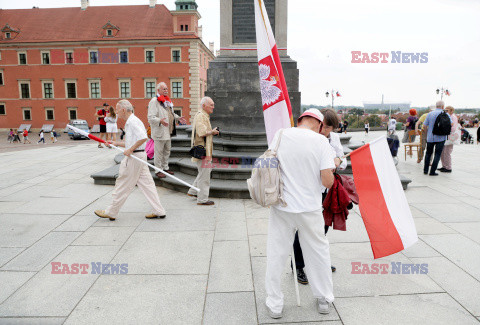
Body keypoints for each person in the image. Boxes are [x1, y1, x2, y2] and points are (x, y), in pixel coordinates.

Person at [265, 108, 335, 319]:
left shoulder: (281, 134)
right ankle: (323, 298)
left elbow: (270, 164)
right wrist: (333, 167)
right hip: (310, 208)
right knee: (318, 253)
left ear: (300, 120)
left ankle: (275, 303)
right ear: (320, 125)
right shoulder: (322, 142)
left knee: (276, 254)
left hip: (282, 205)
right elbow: (327, 181)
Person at [291, 108, 345, 285]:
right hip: (309, 191)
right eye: (326, 127)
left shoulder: (333, 139)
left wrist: (338, 161)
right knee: (303, 229)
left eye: (331, 128)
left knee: (322, 229)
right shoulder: (308, 138)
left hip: (327, 191)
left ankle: (318, 262)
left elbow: (342, 158)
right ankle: (298, 266)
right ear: (319, 124)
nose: (328, 131)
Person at [94, 99, 166, 221]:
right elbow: (132, 142)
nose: (116, 112)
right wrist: (115, 143)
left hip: (135, 157)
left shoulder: (132, 122)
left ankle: (111, 211)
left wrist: (130, 149)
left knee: (122, 184)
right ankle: (159, 210)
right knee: (148, 185)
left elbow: (143, 138)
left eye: (117, 110)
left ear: (123, 110)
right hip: (139, 155)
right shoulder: (133, 121)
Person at [148, 82, 187, 178]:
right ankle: (158, 170)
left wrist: (178, 118)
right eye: (164, 89)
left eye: (166, 89)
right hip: (160, 131)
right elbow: (150, 117)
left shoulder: (167, 101)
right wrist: (159, 121)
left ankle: (165, 168)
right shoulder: (154, 101)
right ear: (158, 90)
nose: (166, 90)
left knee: (167, 151)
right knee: (159, 152)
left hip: (168, 131)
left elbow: (170, 114)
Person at [186, 97, 219, 205]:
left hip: (204, 150)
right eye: (211, 105)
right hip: (203, 150)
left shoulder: (202, 115)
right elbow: (201, 132)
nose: (213, 107)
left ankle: (193, 191)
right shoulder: (201, 116)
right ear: (204, 105)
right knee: (205, 175)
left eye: (213, 105)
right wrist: (212, 132)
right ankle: (202, 199)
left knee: (204, 172)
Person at [423, 100, 452, 176]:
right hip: (441, 137)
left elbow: (424, 126)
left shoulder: (430, 114)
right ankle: (432, 172)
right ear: (443, 106)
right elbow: (451, 124)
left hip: (430, 137)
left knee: (428, 153)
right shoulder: (446, 114)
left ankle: (425, 170)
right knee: (437, 154)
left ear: (436, 106)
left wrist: (427, 134)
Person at [439, 106, 459, 173]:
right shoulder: (448, 116)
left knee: (447, 152)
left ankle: (448, 167)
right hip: (446, 135)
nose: (446, 111)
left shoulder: (453, 117)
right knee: (443, 152)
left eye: (447, 110)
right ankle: (444, 166)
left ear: (451, 110)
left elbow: (453, 127)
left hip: (450, 136)